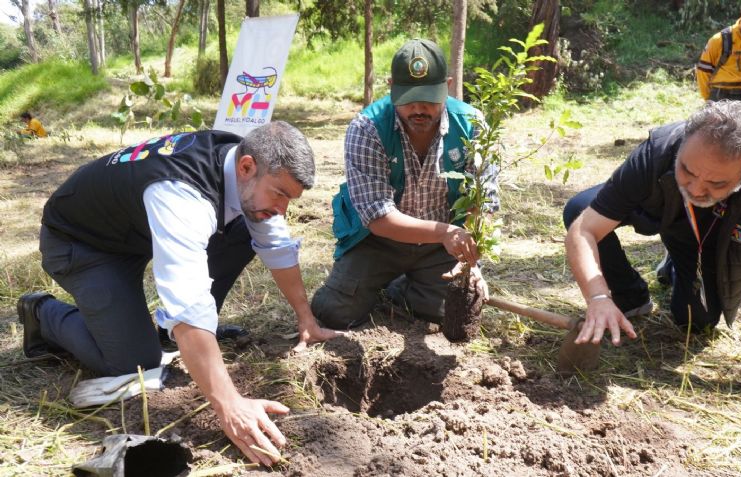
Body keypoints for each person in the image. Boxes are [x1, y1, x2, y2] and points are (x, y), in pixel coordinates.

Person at [17, 122, 343, 466]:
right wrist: (229, 404)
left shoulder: (244, 169)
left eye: (290, 199)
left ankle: (167, 334)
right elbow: (188, 305)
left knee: (248, 225)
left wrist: (306, 320)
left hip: (134, 228)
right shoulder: (181, 196)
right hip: (83, 243)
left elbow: (275, 245)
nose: (283, 209)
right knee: (134, 364)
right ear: (246, 167)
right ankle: (41, 313)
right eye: (280, 194)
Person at [563, 101, 741, 423]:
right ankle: (630, 296)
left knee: (695, 322)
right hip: (661, 208)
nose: (696, 188)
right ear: (682, 146)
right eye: (687, 170)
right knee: (578, 210)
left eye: (716, 183)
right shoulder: (660, 148)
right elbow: (584, 229)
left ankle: (676, 262)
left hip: (720, 230)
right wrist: (598, 296)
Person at [311, 38, 497, 329]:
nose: (419, 108)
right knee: (335, 312)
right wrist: (446, 232)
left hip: (441, 248)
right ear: (391, 87)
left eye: (429, 98)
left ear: (447, 86)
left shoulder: (473, 126)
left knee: (451, 313)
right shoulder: (367, 128)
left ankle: (402, 287)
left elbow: (482, 202)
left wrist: (471, 261)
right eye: (408, 99)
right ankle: (384, 278)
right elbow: (378, 219)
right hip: (378, 242)